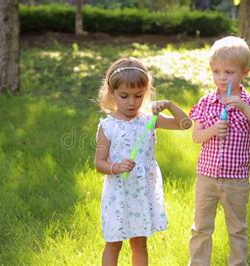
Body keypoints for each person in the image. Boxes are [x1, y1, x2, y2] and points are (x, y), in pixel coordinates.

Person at [95, 57, 192, 266]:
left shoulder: (150, 120)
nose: (132, 102)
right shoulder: (108, 126)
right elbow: (99, 163)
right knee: (113, 243)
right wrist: (116, 167)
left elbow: (185, 124)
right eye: (124, 96)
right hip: (118, 194)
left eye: (138, 96)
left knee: (139, 244)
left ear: (146, 92)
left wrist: (169, 105)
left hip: (141, 193)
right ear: (112, 94)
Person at [188, 36, 250, 266]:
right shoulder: (206, 102)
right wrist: (213, 130)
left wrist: (244, 107)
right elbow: (196, 136)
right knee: (201, 228)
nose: (222, 77)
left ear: (244, 73)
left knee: (237, 230)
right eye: (217, 71)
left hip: (236, 180)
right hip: (207, 177)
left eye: (229, 72)